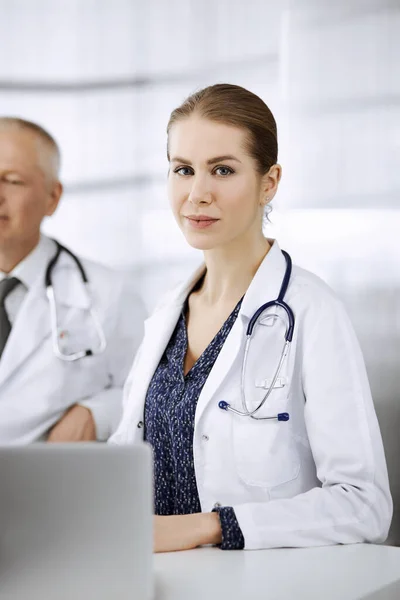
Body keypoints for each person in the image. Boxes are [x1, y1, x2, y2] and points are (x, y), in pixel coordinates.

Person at [109, 84, 392, 551]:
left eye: (222, 170)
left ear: (269, 182)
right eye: (183, 170)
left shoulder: (311, 312)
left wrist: (211, 526)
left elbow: (364, 504)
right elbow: (123, 459)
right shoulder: (164, 315)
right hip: (152, 580)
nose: (197, 194)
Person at [0, 117, 145, 444]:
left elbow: (147, 395)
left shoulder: (109, 294)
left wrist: (99, 412)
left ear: (52, 197)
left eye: (12, 180)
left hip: (46, 487)